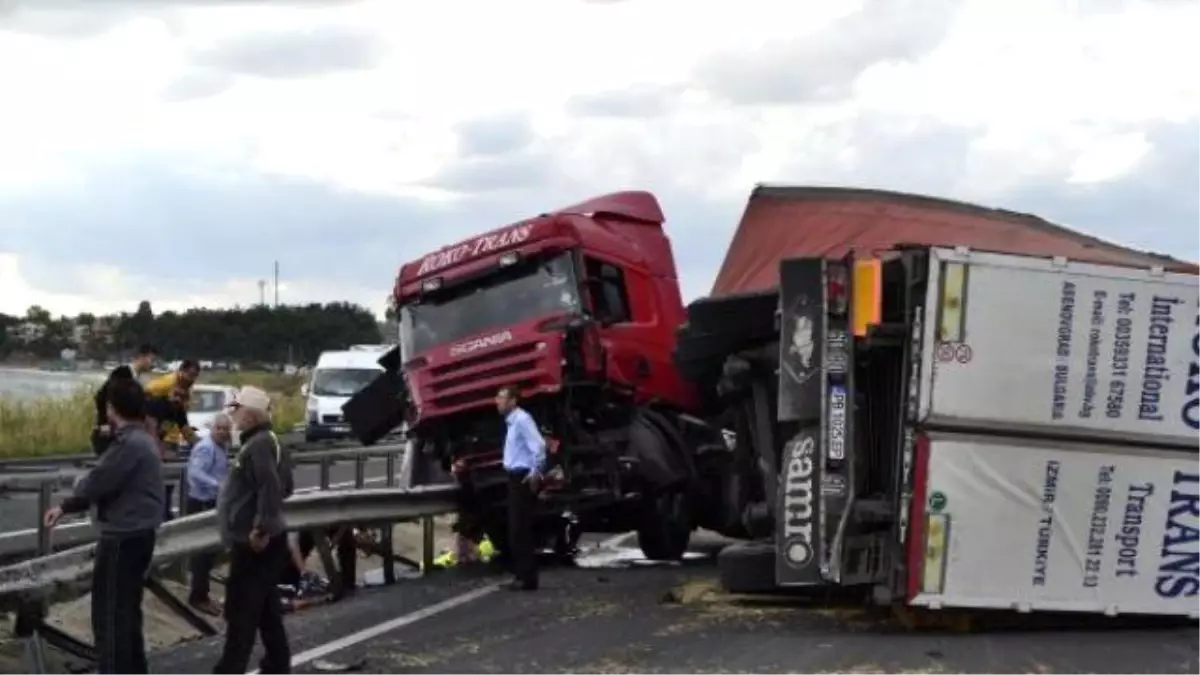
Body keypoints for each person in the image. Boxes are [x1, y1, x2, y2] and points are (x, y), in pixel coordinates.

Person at [44, 378, 164, 675]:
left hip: (123, 537)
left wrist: (66, 503)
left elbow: (96, 482)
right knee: (127, 613)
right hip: (140, 534)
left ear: (111, 408)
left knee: (110, 617)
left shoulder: (129, 444)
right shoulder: (143, 439)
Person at [213, 386, 294, 675]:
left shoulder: (259, 444)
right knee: (265, 610)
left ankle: (230, 669)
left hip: (256, 543)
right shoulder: (267, 441)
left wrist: (261, 528)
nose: (233, 415)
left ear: (251, 413)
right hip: (260, 540)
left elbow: (270, 486)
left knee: (242, 610)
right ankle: (277, 664)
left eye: (237, 409)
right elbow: (285, 486)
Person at [496, 385, 546, 591]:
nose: (497, 402)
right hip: (514, 477)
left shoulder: (522, 420)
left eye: (501, 398)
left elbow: (539, 445)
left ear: (513, 401)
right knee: (516, 529)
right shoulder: (512, 422)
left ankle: (527, 578)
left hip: (522, 478)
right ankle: (522, 575)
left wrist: (535, 472)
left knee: (520, 529)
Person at [185, 413, 232, 616]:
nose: (222, 432)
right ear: (212, 428)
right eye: (218, 428)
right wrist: (217, 485)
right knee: (202, 553)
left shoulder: (222, 447)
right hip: (201, 502)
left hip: (213, 502)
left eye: (225, 429)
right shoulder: (206, 448)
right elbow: (194, 473)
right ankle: (198, 597)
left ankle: (203, 593)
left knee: (211, 551)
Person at [91, 343, 157, 456]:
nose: (153, 364)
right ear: (141, 357)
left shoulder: (137, 378)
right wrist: (103, 422)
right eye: (151, 359)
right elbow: (102, 396)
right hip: (113, 427)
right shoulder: (122, 372)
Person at [147, 384, 197, 521]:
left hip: (156, 444)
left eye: (182, 397)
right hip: (142, 441)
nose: (177, 399)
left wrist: (204, 446)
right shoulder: (157, 405)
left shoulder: (178, 411)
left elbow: (188, 433)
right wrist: (158, 452)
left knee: (166, 484)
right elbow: (150, 431)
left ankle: (165, 515)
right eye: (175, 395)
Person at [145, 359, 201, 450]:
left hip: (170, 437)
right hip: (154, 437)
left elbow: (185, 428)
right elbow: (145, 393)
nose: (192, 379)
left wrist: (203, 445)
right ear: (181, 372)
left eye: (195, 376)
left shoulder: (178, 406)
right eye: (190, 375)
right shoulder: (165, 384)